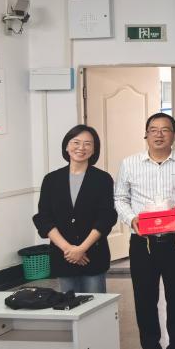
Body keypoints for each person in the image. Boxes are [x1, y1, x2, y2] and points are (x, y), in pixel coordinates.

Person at [114, 112, 175, 349]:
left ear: (174, 134)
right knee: (144, 299)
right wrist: (132, 219)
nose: (159, 134)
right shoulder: (129, 163)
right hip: (143, 242)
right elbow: (120, 198)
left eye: (165, 129)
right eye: (153, 129)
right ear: (146, 134)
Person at [33, 125, 117, 294]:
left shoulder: (103, 179)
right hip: (63, 256)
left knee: (95, 305)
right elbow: (44, 218)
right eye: (76, 142)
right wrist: (69, 249)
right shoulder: (51, 180)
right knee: (68, 304)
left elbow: (106, 217)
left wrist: (81, 249)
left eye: (88, 143)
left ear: (94, 149)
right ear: (66, 146)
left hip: (93, 254)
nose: (81, 148)